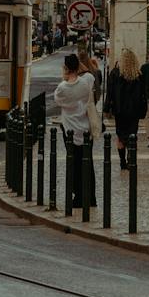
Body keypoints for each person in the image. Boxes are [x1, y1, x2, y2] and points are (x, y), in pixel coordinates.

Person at [52, 52, 95, 202]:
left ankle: (77, 196)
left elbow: (58, 101)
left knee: (73, 163)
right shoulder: (84, 84)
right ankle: (89, 196)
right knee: (86, 162)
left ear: (66, 68)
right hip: (85, 126)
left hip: (69, 127)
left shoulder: (62, 87)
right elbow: (88, 99)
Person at [103, 49, 148, 171]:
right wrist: (144, 109)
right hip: (134, 111)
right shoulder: (139, 75)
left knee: (120, 136)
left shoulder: (115, 73)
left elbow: (110, 93)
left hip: (120, 110)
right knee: (132, 135)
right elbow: (144, 94)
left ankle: (123, 162)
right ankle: (130, 159)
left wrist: (106, 108)